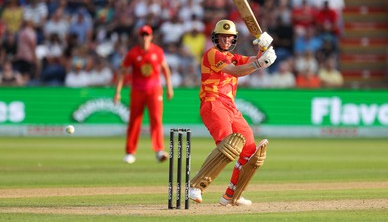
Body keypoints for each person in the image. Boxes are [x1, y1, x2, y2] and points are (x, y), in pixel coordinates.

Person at [188, 19, 277, 206]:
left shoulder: (234, 57)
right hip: (213, 102)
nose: (227, 40)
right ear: (216, 37)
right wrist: (260, 63)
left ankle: (232, 195)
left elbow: (253, 61)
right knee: (229, 146)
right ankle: (196, 186)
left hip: (230, 106)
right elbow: (237, 72)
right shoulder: (212, 54)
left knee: (251, 151)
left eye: (230, 37)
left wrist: (264, 47)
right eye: (223, 36)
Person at [113, 25, 174, 164]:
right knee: (134, 121)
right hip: (137, 90)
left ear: (151, 36)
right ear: (139, 37)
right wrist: (117, 92)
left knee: (156, 120)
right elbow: (122, 72)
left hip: (154, 90)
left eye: (147, 35)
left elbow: (165, 69)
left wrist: (169, 88)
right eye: (142, 35)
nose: (145, 37)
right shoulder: (133, 53)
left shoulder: (157, 51)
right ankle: (130, 152)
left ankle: (159, 150)